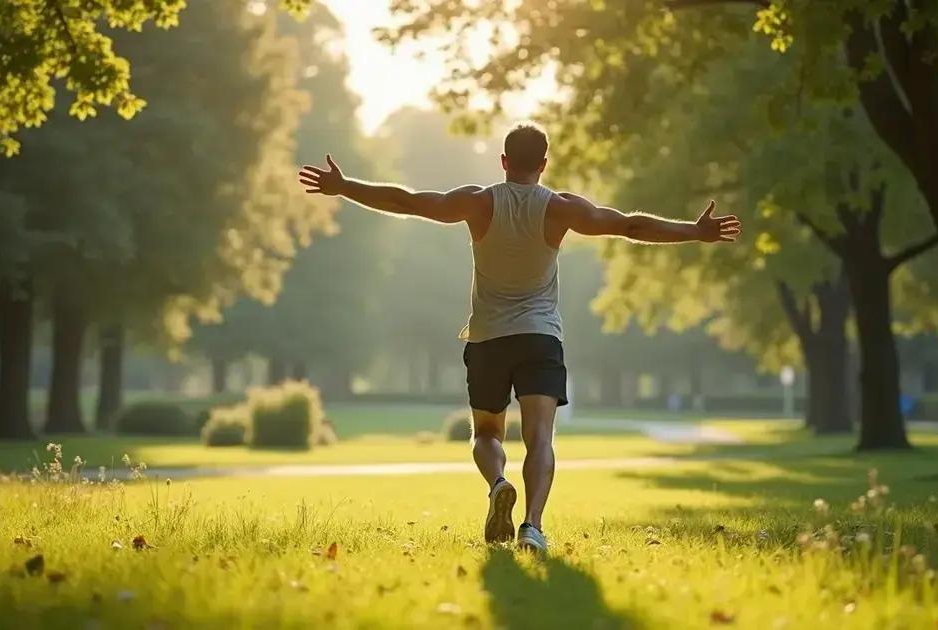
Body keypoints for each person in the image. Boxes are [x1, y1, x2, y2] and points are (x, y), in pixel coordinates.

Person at [298, 122, 741, 554]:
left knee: (487, 434)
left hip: (489, 337)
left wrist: (345, 186)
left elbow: (411, 202)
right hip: (540, 337)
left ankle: (497, 484)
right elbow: (629, 225)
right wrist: (694, 231)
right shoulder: (560, 208)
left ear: (504, 160)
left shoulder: (478, 203)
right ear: (544, 164)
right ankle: (532, 526)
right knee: (540, 439)